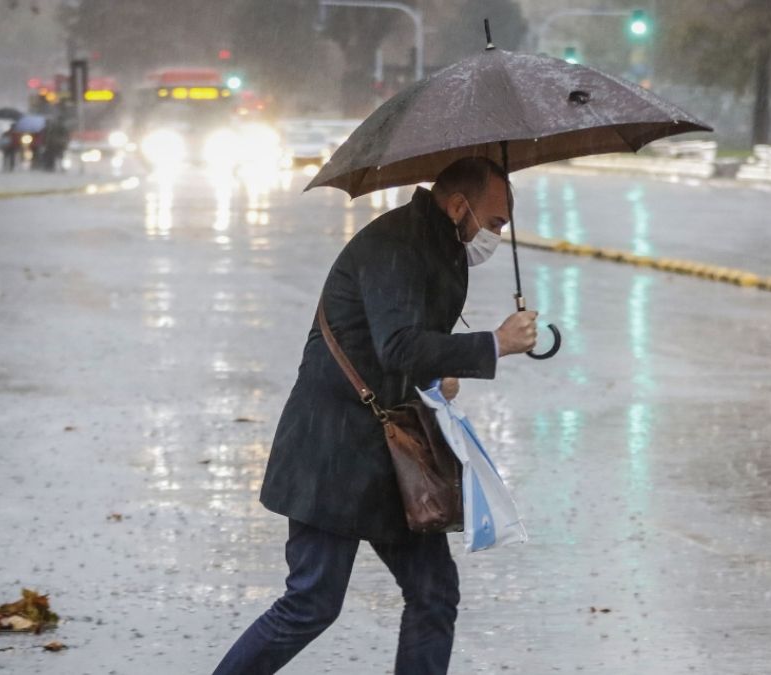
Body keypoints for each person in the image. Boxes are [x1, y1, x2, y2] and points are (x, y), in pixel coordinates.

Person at [213, 157, 538, 675]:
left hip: (390, 452)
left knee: (434, 593)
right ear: (460, 206)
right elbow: (400, 346)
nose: (496, 235)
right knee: (312, 602)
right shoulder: (397, 245)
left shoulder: (437, 242)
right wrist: (494, 343)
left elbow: (400, 346)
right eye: (495, 222)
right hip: (334, 449)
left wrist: (438, 376)